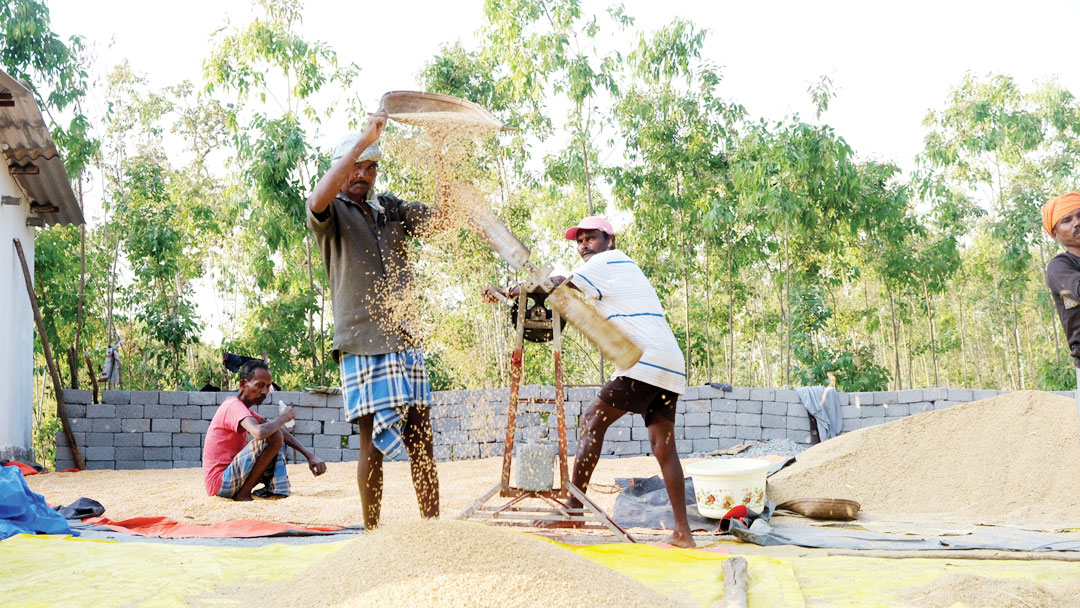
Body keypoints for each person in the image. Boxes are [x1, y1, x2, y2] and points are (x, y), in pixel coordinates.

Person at [487, 215, 695, 547]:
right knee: (663, 448)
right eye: (580, 240)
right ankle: (683, 532)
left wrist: (508, 291)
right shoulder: (615, 270)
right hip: (669, 362)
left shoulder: (608, 260)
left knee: (590, 420)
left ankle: (574, 507)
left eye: (591, 238)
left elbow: (556, 283)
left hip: (645, 359)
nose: (584, 245)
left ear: (609, 241)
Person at [306, 108, 441, 529]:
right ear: (341, 168)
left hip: (406, 336)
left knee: (422, 436)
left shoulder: (391, 209)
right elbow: (316, 200)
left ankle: (434, 528)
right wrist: (364, 140)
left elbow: (442, 220)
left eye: (370, 167)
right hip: (363, 338)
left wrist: (440, 155)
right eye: (356, 166)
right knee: (371, 443)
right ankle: (372, 534)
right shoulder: (332, 212)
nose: (363, 174)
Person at [202, 359, 326, 501]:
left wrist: (310, 455)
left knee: (276, 432)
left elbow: (277, 430)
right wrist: (283, 417)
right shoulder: (233, 405)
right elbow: (259, 432)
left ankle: (275, 489)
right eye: (259, 386)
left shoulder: (245, 409)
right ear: (243, 384)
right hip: (220, 483)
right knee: (274, 435)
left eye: (267, 386)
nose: (265, 391)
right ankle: (244, 494)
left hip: (231, 478)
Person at [1044, 192, 1080, 366]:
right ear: (1055, 234)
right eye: (1067, 220)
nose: (1077, 222)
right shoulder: (1059, 267)